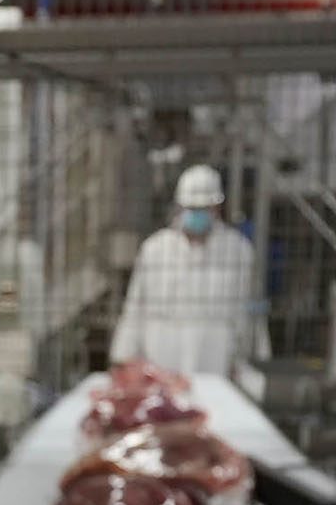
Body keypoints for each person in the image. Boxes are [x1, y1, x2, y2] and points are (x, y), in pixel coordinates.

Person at [109, 163, 266, 384]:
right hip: (161, 355)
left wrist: (248, 358)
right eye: (191, 208)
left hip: (214, 357)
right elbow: (135, 306)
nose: (196, 214)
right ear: (179, 207)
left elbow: (249, 311)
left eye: (203, 209)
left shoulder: (238, 250)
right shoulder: (155, 249)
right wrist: (123, 357)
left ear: (217, 208)